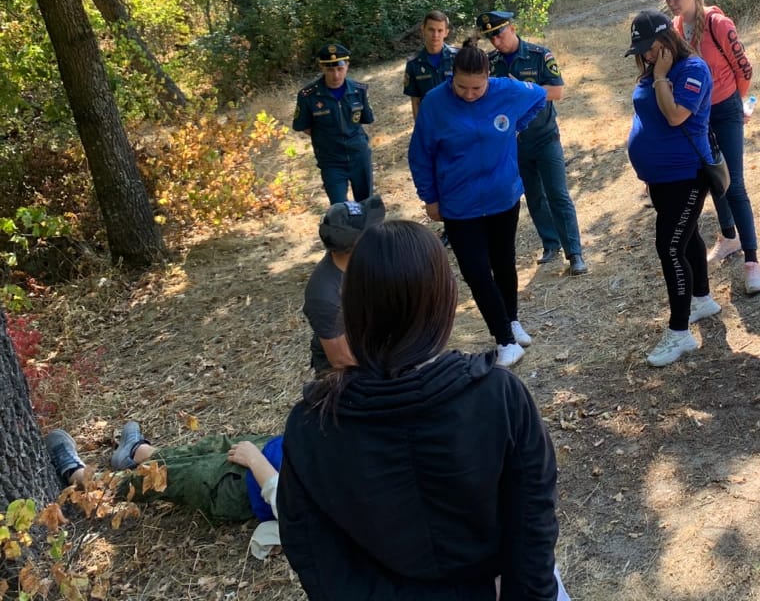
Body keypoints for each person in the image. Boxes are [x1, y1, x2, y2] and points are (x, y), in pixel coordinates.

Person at [276, 220, 563, 600]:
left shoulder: (311, 425)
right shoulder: (500, 397)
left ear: (352, 309)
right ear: (443, 300)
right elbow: (533, 523)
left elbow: (315, 555)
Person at [408, 41, 547, 367]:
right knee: (475, 271)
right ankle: (505, 340)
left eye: (477, 88)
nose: (469, 94)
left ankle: (511, 322)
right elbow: (420, 154)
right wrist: (429, 197)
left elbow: (540, 96)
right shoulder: (434, 103)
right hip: (460, 203)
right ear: (451, 76)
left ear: (488, 77)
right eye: (462, 87)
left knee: (504, 262)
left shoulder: (506, 91)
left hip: (502, 197)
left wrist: (516, 126)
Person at [658, 0, 760, 295]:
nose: (671, 2)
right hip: (699, 115)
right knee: (713, 177)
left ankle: (752, 262)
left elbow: (743, 68)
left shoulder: (719, 24)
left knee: (734, 184)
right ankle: (729, 236)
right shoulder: (676, 27)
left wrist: (738, 104)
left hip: (726, 108)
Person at [625, 9, 719, 367]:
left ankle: (679, 332)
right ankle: (702, 299)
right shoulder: (653, 70)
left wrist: (662, 77)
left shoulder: (691, 70)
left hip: (686, 175)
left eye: (650, 47)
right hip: (661, 178)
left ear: (667, 39)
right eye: (642, 50)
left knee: (670, 247)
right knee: (687, 236)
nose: (647, 55)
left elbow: (676, 115)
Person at [46, 421, 283, 559]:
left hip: (244, 487)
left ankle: (79, 477)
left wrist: (255, 460)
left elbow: (288, 503)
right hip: (275, 453)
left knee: (170, 476)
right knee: (214, 447)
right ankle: (139, 452)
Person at [479, 10, 589, 277]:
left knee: (557, 194)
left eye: (499, 34)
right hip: (514, 143)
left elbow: (557, 91)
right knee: (534, 196)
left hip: (545, 137)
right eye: (491, 37)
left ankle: (574, 252)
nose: (496, 41)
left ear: (512, 28)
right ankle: (550, 244)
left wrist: (524, 90)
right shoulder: (490, 63)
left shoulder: (539, 55)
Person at [303, 195, 386, 374]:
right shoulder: (324, 295)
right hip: (351, 373)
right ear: (355, 244)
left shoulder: (364, 261)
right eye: (370, 232)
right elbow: (342, 360)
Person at [292, 43, 375, 204]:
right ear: (322, 67)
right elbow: (303, 126)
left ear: (347, 66)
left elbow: (366, 119)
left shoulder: (359, 91)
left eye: (340, 69)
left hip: (359, 156)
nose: (336, 75)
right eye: (330, 70)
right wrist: (327, 138)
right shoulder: (308, 95)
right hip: (331, 161)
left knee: (366, 205)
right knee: (339, 208)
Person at [404, 10, 458, 118]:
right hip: (431, 120)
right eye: (431, 29)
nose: (435, 35)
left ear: (446, 32)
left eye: (440, 30)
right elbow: (415, 102)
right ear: (423, 29)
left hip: (456, 117)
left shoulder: (458, 58)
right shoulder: (413, 64)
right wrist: (420, 126)